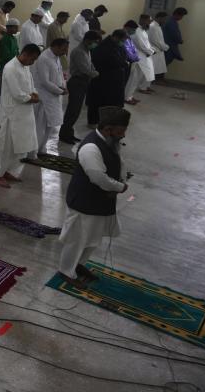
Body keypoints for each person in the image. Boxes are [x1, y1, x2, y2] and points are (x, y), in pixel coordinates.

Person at [57, 107, 130, 289]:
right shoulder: (90, 147)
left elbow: (118, 162)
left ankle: (79, 265)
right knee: (77, 239)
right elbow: (98, 177)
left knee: (92, 237)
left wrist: (121, 179)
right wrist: (120, 187)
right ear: (107, 129)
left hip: (101, 202)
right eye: (120, 132)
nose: (123, 136)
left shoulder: (110, 141)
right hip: (84, 202)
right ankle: (66, 270)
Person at [0, 44, 41, 187]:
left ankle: (7, 170)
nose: (32, 62)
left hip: (24, 113)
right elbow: (16, 93)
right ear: (25, 54)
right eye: (32, 59)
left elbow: (31, 85)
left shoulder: (26, 66)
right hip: (11, 114)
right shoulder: (10, 67)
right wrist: (30, 98)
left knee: (17, 147)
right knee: (6, 147)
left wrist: (34, 93)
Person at [60, 30, 101, 144]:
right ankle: (64, 134)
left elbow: (91, 65)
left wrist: (93, 71)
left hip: (83, 82)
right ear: (87, 40)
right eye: (95, 41)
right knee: (72, 110)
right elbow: (85, 69)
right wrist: (95, 73)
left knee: (76, 111)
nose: (95, 44)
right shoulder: (79, 51)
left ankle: (69, 133)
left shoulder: (86, 50)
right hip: (77, 82)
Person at [32, 39, 69, 156]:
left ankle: (42, 148)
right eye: (63, 49)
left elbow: (59, 74)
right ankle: (34, 150)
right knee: (40, 125)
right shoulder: (44, 58)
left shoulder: (56, 57)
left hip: (54, 96)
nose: (65, 52)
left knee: (50, 125)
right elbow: (45, 81)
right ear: (56, 47)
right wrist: (59, 90)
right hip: (45, 97)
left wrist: (64, 86)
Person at [88, 29, 128, 127]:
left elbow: (123, 57)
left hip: (114, 80)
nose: (123, 43)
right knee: (99, 101)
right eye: (122, 40)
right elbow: (114, 61)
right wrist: (123, 63)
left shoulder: (117, 45)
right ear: (116, 37)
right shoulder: (104, 47)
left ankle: (107, 122)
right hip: (103, 79)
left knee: (111, 102)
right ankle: (94, 122)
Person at [129, 14, 156, 96]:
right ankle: (127, 97)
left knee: (137, 79)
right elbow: (140, 45)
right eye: (149, 21)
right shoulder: (137, 30)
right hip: (138, 57)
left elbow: (147, 44)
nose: (150, 23)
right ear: (143, 20)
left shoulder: (143, 30)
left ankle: (130, 96)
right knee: (133, 79)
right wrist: (150, 52)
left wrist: (151, 51)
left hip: (144, 56)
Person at [121, 21, 142, 105]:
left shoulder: (128, 36)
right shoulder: (122, 36)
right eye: (133, 29)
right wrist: (134, 57)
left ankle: (126, 97)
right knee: (123, 82)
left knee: (128, 80)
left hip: (130, 61)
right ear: (127, 28)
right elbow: (126, 50)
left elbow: (132, 48)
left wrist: (136, 56)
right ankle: (123, 98)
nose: (134, 31)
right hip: (124, 62)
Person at [148, 12, 169, 82]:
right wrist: (165, 47)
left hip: (158, 50)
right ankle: (143, 87)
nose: (165, 21)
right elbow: (155, 40)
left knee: (153, 70)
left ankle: (147, 87)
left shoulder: (157, 26)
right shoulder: (153, 26)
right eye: (164, 19)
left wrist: (164, 46)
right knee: (150, 70)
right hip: (154, 50)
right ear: (160, 18)